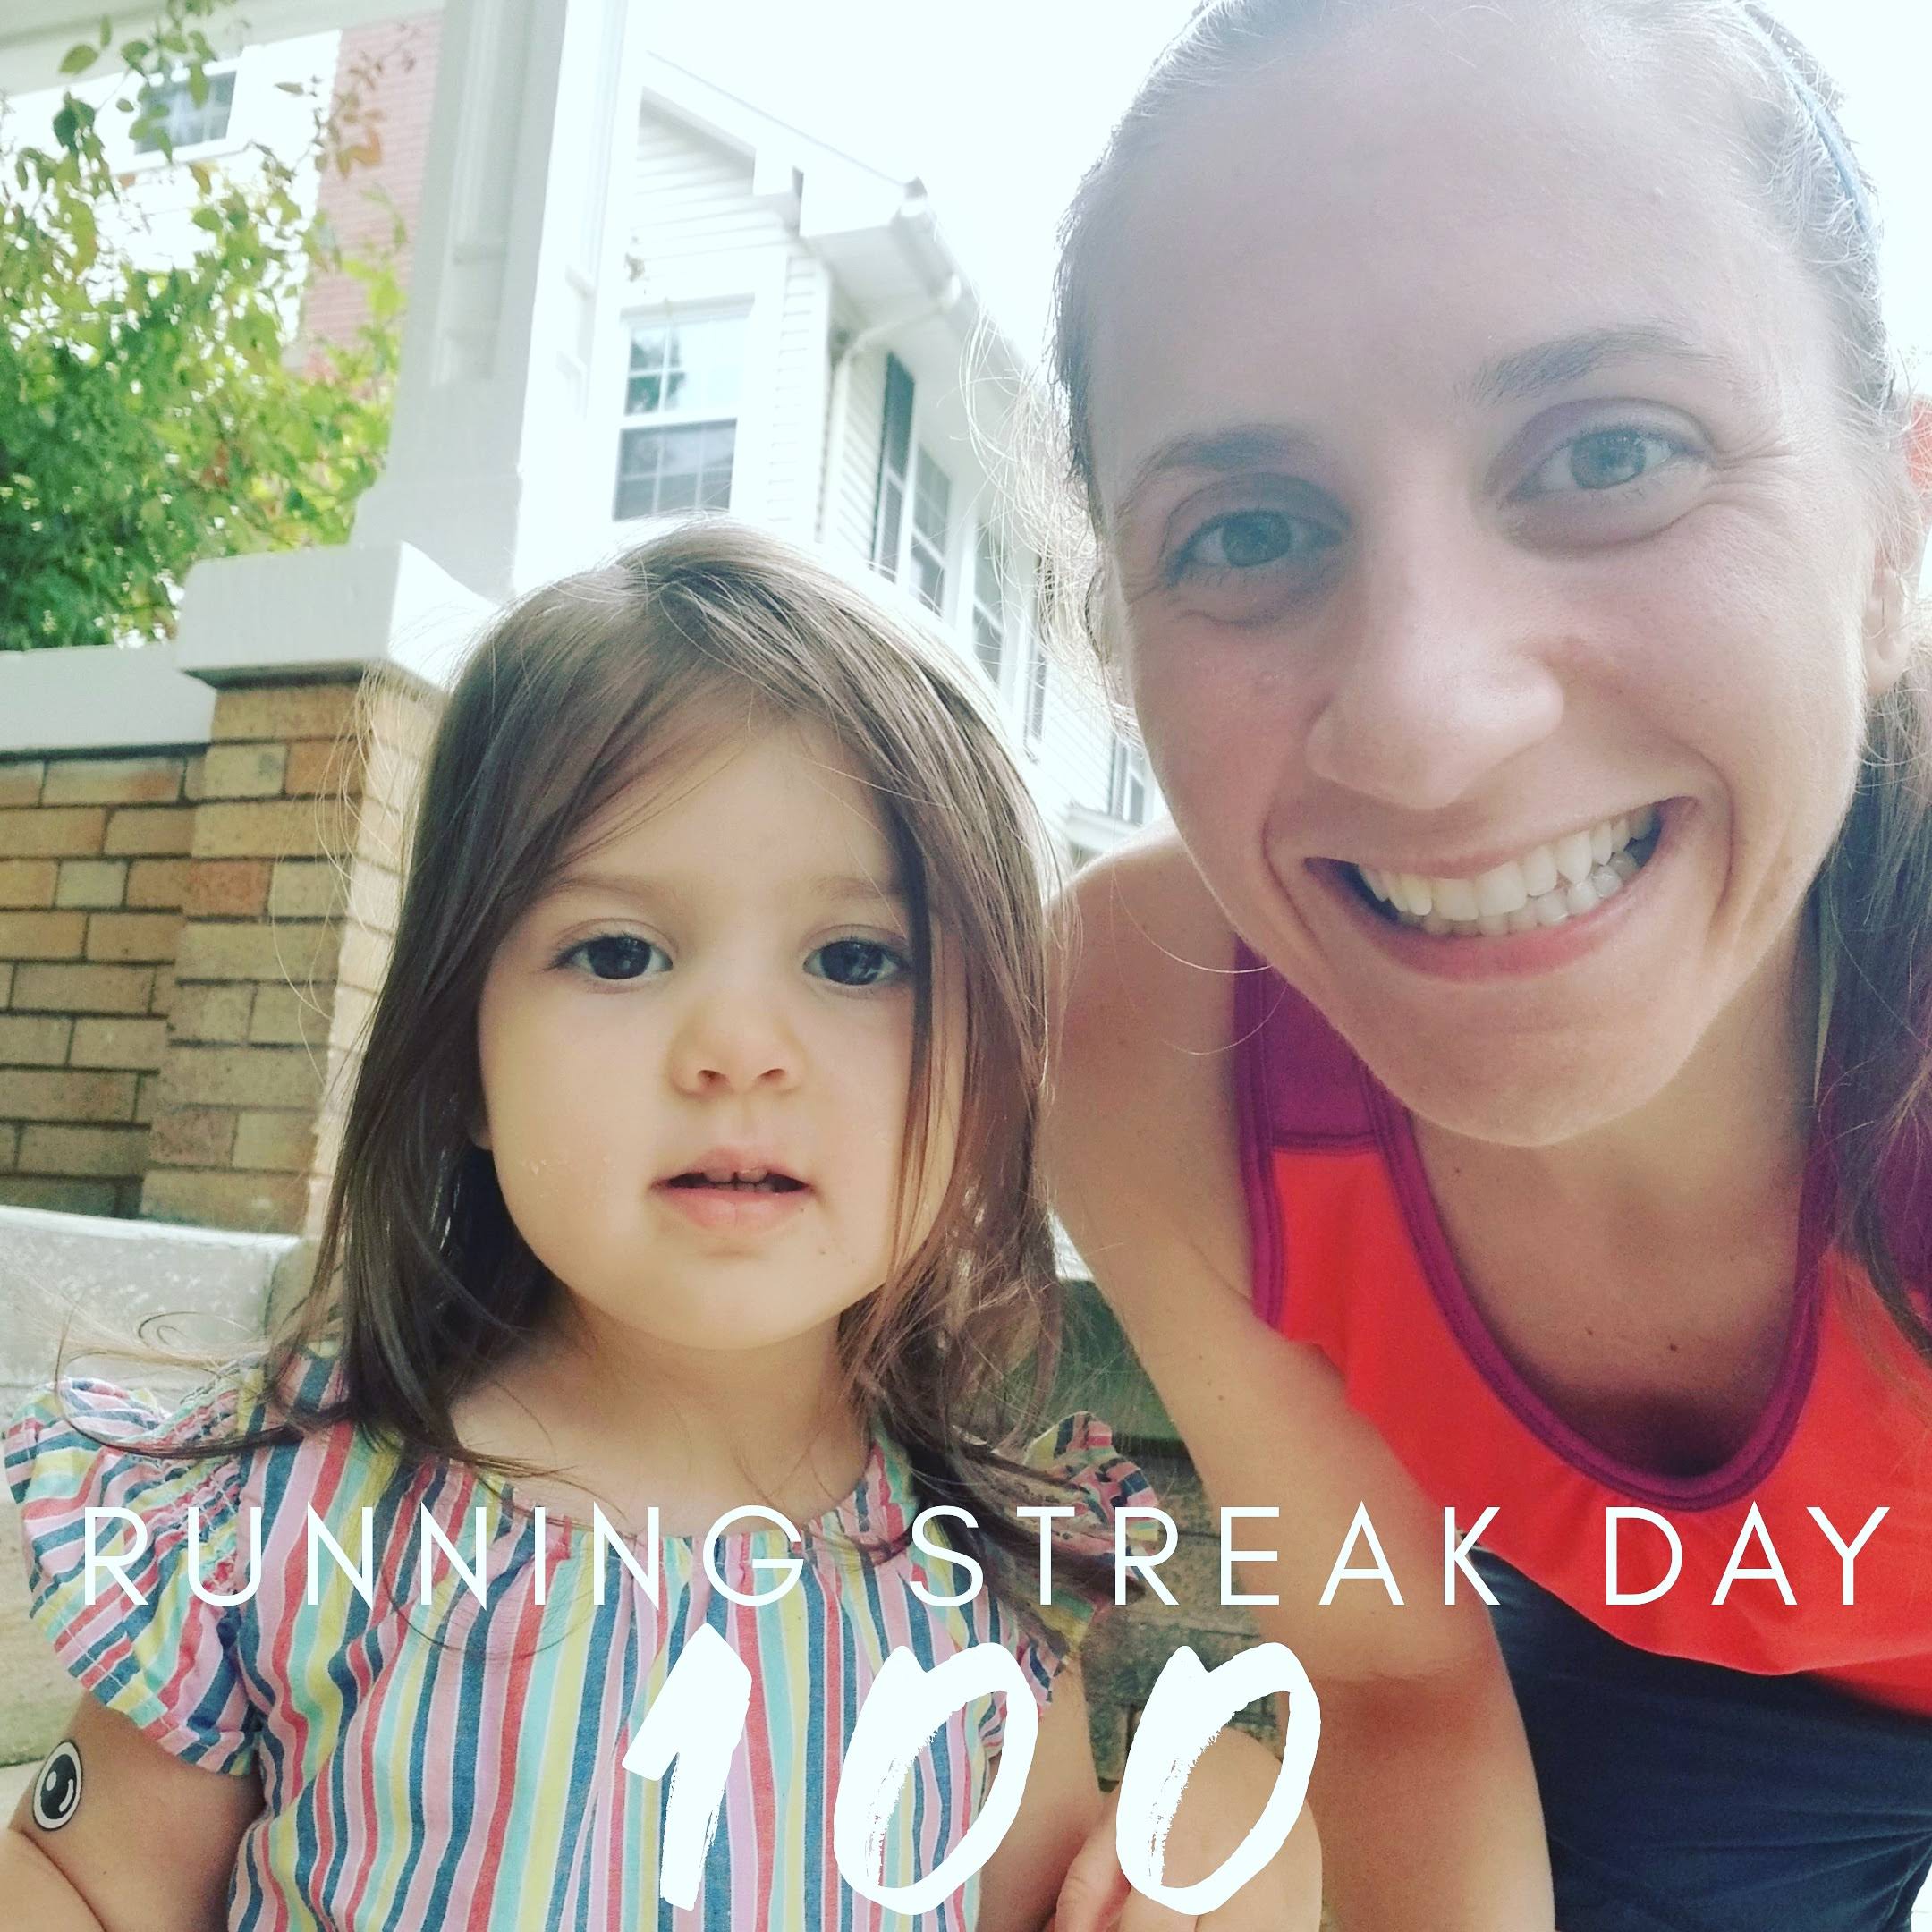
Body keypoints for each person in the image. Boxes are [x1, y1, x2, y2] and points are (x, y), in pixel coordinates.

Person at [2, 522, 1315, 1931]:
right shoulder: (286, 1518)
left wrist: (1242, 1839)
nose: (739, 1046)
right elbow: (84, 1884)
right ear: (462, 1058)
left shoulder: (984, 1582)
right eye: (618, 952)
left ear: (991, 1073)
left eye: (856, 958)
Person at [1041, 2, 1932, 1928]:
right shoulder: (1146, 1038)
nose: (1426, 723)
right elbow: (1389, 1681)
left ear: (1892, 535)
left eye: (1611, 451)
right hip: (1676, 1696)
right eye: (1247, 531)